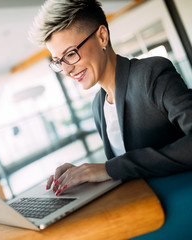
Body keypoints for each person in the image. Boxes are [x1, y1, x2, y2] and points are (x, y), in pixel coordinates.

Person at [29, 0, 192, 196]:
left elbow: (120, 167)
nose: (66, 70)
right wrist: (84, 175)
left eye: (71, 54)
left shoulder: (150, 74)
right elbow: (125, 169)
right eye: (58, 61)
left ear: (102, 37)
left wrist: (108, 168)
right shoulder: (98, 107)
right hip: (140, 206)